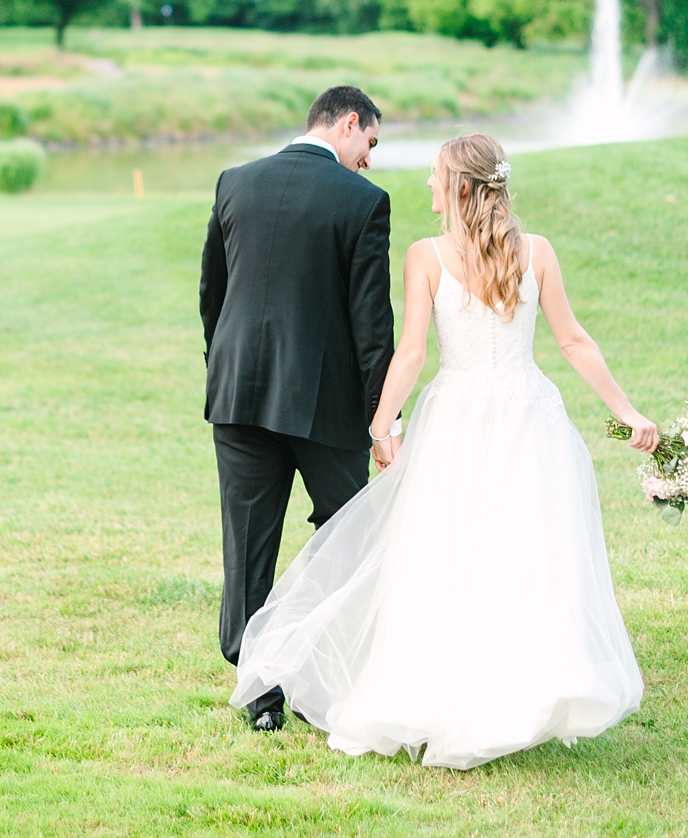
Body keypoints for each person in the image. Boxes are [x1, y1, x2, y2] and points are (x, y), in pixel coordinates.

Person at [230, 131, 652, 768]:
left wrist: (383, 425)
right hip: (524, 414)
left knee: (446, 553)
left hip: (457, 415)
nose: (426, 184)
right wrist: (627, 411)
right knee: (521, 551)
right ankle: (513, 691)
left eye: (434, 175)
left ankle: (459, 692)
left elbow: (412, 354)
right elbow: (573, 343)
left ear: (458, 185)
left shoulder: (426, 256)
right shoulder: (535, 252)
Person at [199, 84, 393, 732]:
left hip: (238, 397)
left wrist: (224, 372)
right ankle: (316, 676)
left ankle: (259, 690)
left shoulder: (236, 181)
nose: (368, 158)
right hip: (324, 406)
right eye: (369, 141)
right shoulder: (363, 202)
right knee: (346, 537)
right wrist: (381, 416)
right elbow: (372, 324)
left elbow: (213, 296)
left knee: (248, 544)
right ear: (347, 122)